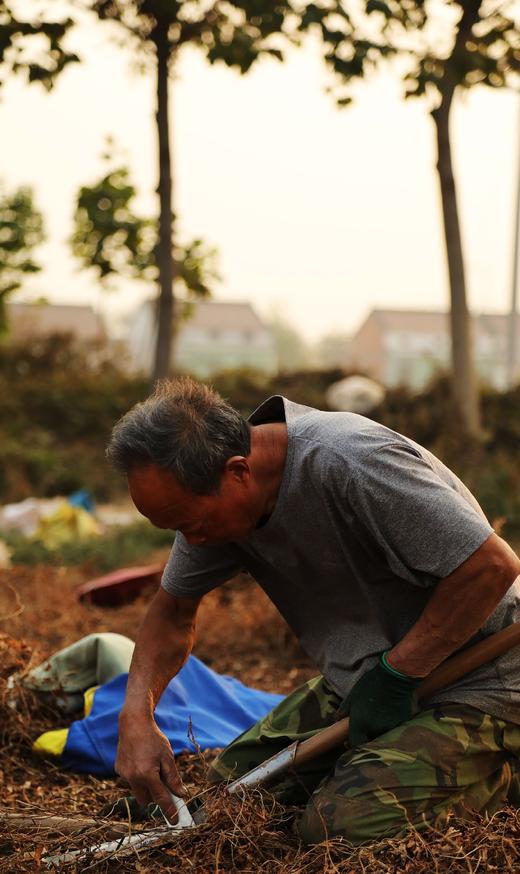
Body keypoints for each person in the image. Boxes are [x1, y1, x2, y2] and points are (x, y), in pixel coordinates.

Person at [106, 377, 520, 844]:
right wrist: (136, 715)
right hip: (373, 675)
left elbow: (491, 566)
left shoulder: (354, 462)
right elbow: (173, 612)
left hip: (486, 679)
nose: (192, 540)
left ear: (238, 471)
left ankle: (503, 774)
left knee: (335, 827)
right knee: (227, 795)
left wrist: (400, 674)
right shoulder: (215, 503)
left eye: (192, 524)